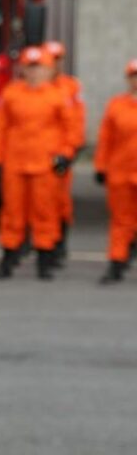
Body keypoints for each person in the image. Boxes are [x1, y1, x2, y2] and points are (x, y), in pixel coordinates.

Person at [0, 46, 76, 280]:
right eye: (30, 67)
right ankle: (8, 257)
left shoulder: (58, 95)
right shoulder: (11, 93)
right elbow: (0, 127)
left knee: (45, 211)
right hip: (15, 162)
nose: (34, 73)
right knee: (12, 211)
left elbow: (70, 128)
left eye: (39, 68)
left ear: (49, 70)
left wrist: (65, 154)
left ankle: (45, 259)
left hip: (45, 163)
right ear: (23, 70)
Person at [94, 59, 137, 285]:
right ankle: (117, 261)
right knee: (121, 220)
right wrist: (101, 166)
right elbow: (106, 139)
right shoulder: (117, 105)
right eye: (133, 76)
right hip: (121, 173)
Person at [44, 41, 86, 266]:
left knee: (61, 202)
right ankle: (42, 245)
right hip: (41, 154)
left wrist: (71, 150)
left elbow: (77, 121)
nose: (55, 64)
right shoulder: (34, 88)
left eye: (58, 59)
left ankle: (59, 244)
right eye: (52, 59)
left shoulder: (70, 86)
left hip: (61, 153)